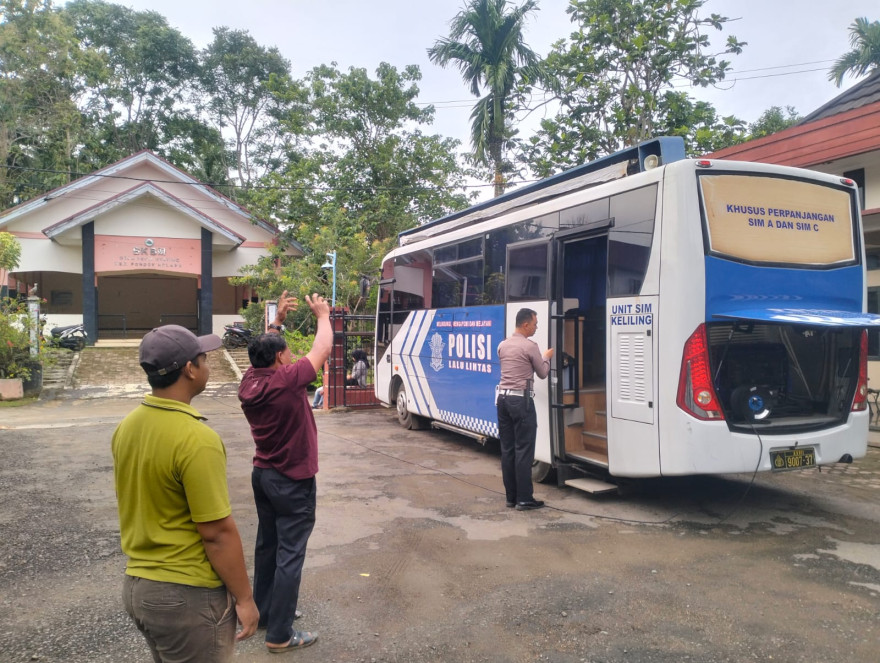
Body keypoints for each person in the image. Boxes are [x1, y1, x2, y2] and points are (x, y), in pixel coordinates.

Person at [111, 325, 259, 662]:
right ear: (190, 369)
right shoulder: (196, 439)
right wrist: (245, 599)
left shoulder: (127, 426)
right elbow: (216, 533)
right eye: (204, 358)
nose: (208, 364)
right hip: (186, 595)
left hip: (139, 586)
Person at [238, 291, 332, 653]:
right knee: (291, 553)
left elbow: (263, 348)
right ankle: (280, 634)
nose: (292, 355)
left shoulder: (250, 381)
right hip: (292, 479)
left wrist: (276, 321)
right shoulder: (287, 380)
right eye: (288, 351)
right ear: (280, 357)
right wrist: (322, 316)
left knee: (268, 547)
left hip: (263, 475)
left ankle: (265, 612)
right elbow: (322, 350)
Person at [496, 308, 554, 511]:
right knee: (524, 450)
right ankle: (524, 499)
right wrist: (547, 357)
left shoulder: (503, 345)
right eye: (535, 324)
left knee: (508, 450)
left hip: (502, 400)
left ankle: (511, 498)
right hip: (521, 402)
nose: (536, 327)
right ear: (525, 324)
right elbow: (543, 373)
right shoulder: (530, 346)